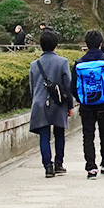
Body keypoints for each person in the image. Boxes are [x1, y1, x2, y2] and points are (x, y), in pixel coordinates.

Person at [71, 30, 104, 179]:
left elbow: (72, 87)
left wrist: (82, 98)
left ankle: (91, 167)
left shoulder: (79, 63)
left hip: (86, 106)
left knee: (88, 136)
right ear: (101, 44)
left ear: (86, 45)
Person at [28, 29, 73, 178]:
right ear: (56, 45)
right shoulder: (62, 62)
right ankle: (59, 163)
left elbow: (32, 87)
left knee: (44, 137)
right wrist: (70, 105)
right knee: (59, 133)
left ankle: (48, 166)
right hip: (58, 103)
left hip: (40, 103)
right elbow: (68, 85)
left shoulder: (34, 65)